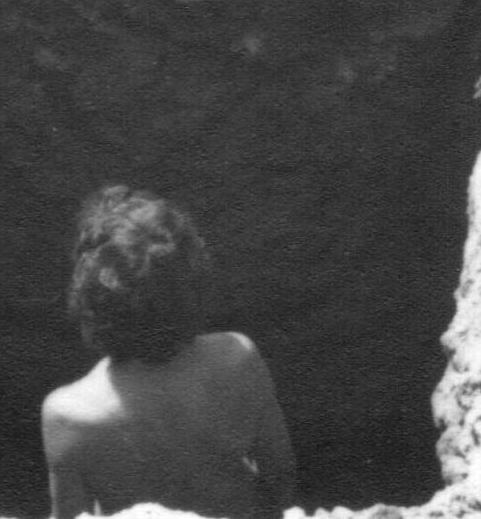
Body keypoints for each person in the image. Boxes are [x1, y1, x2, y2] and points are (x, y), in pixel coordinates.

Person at [41, 186, 297, 519]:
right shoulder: (237, 357)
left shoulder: (69, 414)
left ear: (90, 294)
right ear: (191, 279)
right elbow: (281, 479)